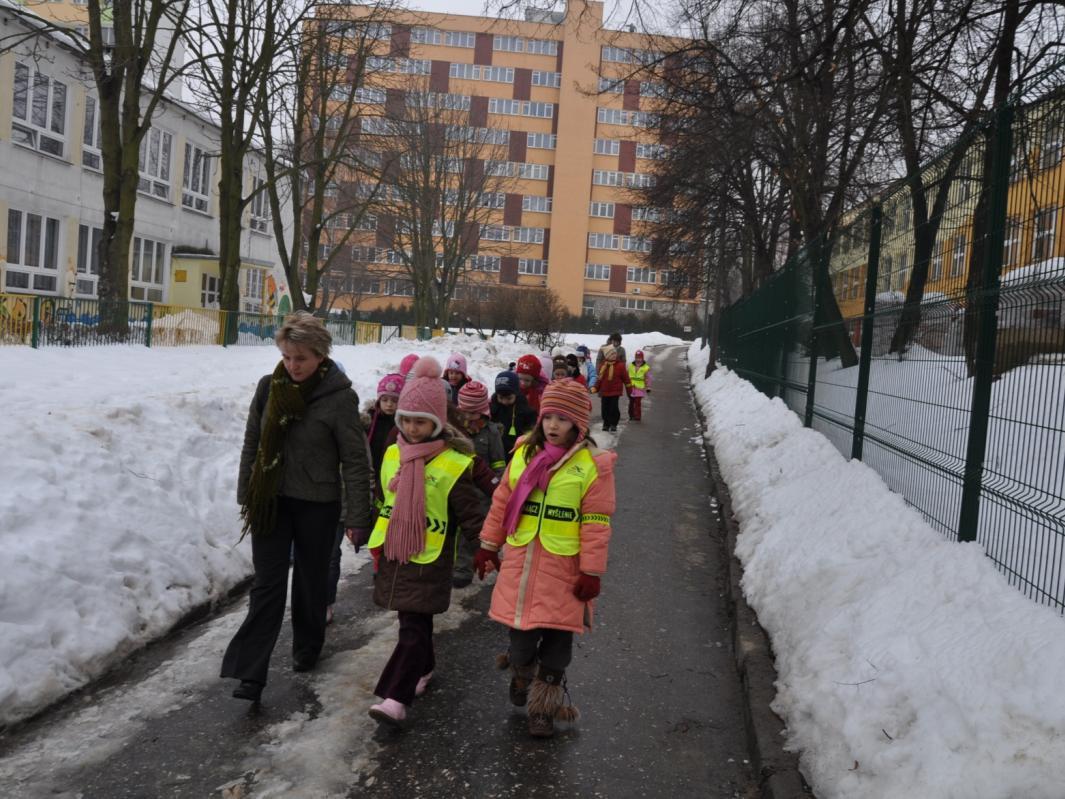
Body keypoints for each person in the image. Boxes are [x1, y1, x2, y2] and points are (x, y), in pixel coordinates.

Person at [222, 311, 373, 703]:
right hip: (270, 501)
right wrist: (246, 492)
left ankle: (307, 645)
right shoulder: (267, 388)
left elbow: (355, 460)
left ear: (320, 355)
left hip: (317, 504)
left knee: (309, 579)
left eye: (301, 358)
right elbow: (252, 441)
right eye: (288, 356)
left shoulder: (340, 397)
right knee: (267, 585)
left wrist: (358, 516)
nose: (293, 365)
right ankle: (251, 673)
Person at [473, 379, 617, 738]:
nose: (553, 425)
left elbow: (597, 522)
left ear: (578, 424)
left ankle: (543, 708)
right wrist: (489, 545)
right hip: (522, 563)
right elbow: (503, 501)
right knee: (521, 640)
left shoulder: (592, 466)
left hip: (565, 569)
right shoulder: (523, 454)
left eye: (562, 419)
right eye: (548, 416)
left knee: (557, 646)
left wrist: (592, 571)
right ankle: (521, 673)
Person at [365, 356, 486, 726]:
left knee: (412, 630)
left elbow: (470, 513)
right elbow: (383, 501)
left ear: (437, 424)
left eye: (422, 422)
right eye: (407, 420)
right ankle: (424, 668)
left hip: (430, 559)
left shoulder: (450, 464)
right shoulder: (392, 455)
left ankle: (395, 697)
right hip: (396, 553)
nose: (413, 429)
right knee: (413, 625)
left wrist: (485, 547)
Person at [452, 381, 507, 588]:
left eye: (473, 414)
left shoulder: (491, 432)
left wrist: (498, 488)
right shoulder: (455, 431)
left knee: (470, 531)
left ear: (483, 413)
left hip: (480, 494)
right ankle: (450, 563)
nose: (468, 418)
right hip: (456, 488)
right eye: (464, 413)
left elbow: (498, 462)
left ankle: (463, 568)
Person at [491, 370, 536, 460]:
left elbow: (530, 431)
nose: (504, 402)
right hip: (497, 451)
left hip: (516, 451)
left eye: (509, 398)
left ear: (516, 393)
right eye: (501, 398)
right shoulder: (493, 408)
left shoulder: (525, 411)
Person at [590, 345, 630, 432]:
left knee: (613, 408)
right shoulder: (603, 366)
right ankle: (606, 423)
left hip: (615, 392)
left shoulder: (620, 366)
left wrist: (629, 388)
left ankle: (613, 424)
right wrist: (595, 387)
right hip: (604, 392)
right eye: (612, 354)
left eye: (615, 353)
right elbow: (599, 379)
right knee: (604, 409)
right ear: (607, 356)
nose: (614, 355)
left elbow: (626, 378)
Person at [627, 351, 652, 422]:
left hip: (640, 388)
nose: (638, 359)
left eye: (640, 358)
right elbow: (626, 374)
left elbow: (648, 378)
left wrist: (648, 387)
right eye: (637, 358)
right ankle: (631, 415)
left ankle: (637, 416)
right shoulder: (630, 365)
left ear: (642, 358)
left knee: (637, 402)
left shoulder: (646, 368)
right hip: (631, 387)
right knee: (631, 402)